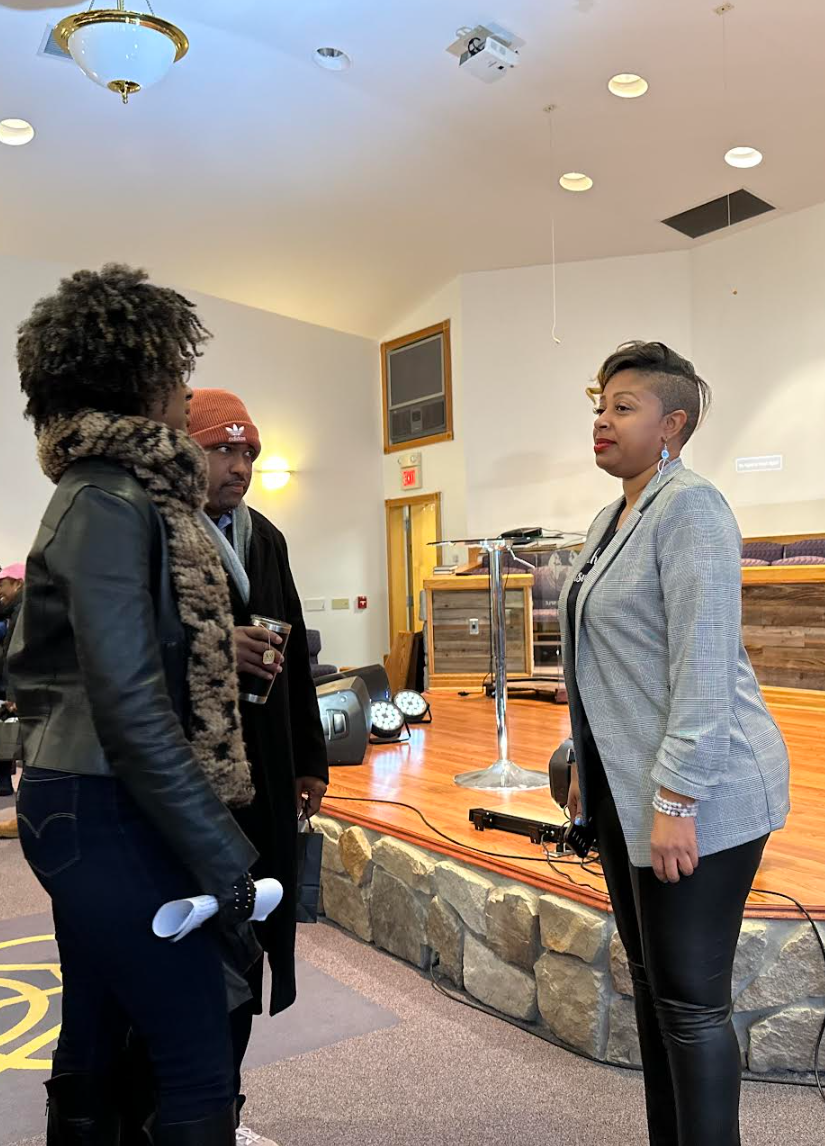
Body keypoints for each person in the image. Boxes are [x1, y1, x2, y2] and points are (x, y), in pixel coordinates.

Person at [9, 264, 263, 1145]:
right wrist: (225, 855)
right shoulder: (112, 499)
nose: (183, 387)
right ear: (139, 375)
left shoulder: (97, 491)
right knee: (193, 1050)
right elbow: (128, 702)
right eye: (174, 369)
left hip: (81, 797)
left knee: (93, 1020)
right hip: (103, 803)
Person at [557, 341, 790, 1146]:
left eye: (623, 407)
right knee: (658, 991)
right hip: (629, 789)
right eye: (600, 404)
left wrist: (675, 800)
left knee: (691, 1004)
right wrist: (586, 768)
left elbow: (701, 663)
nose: (601, 419)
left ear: (672, 425)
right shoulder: (612, 513)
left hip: (703, 790)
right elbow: (596, 661)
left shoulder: (691, 507)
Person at [189, 388, 330, 1143]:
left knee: (246, 944)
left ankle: (225, 1113)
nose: (238, 466)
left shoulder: (262, 537)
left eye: (247, 453)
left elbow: (297, 653)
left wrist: (310, 757)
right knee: (188, 959)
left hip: (266, 774)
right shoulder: (158, 533)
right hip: (188, 786)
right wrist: (215, 647)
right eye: (222, 449)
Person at [0, 562, 25, 835]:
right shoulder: (18, 607)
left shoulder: (26, 609)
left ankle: (24, 818)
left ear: (17, 583)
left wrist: (14, 693)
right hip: (20, 687)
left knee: (29, 751)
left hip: (23, 689)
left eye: (2, 584)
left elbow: (20, 654)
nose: (0, 590)